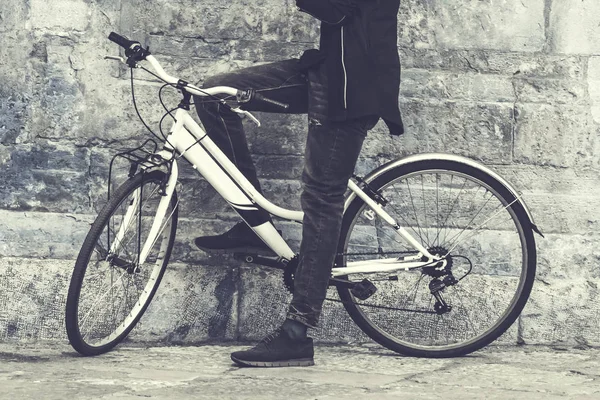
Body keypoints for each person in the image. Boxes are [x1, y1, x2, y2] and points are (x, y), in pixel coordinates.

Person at [194, 0, 403, 367]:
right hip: (324, 74)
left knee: (322, 198)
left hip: (353, 90)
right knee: (214, 94)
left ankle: (297, 332)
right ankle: (252, 224)